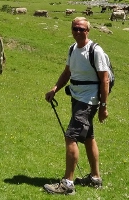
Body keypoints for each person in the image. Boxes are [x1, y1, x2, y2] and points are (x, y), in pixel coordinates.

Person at [43, 17, 110, 194]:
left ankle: (67, 184)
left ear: (88, 30)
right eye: (75, 29)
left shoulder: (95, 50)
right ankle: (95, 178)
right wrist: (55, 89)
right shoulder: (72, 49)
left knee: (71, 136)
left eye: (81, 29)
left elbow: (105, 79)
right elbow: (67, 73)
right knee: (88, 137)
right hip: (76, 97)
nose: (78, 32)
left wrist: (103, 106)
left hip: (89, 100)